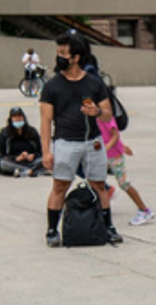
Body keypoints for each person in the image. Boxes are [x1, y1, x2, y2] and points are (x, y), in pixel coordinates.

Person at [39, 31, 119, 247]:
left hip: (92, 142)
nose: (59, 58)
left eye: (63, 53)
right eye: (58, 53)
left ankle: (108, 226)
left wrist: (96, 112)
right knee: (60, 186)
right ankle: (52, 231)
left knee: (99, 185)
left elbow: (108, 114)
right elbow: (45, 121)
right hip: (65, 142)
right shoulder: (52, 86)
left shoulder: (94, 83)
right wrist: (46, 151)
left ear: (75, 57)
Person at [97, 109, 155, 226]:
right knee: (96, 182)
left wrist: (107, 149)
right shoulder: (92, 117)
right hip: (103, 155)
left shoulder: (105, 115)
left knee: (124, 183)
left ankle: (144, 210)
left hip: (114, 155)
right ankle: (100, 211)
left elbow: (115, 135)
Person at [0, 107, 45, 177]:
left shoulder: (32, 132)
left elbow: (41, 151)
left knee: (45, 160)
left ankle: (24, 171)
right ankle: (30, 171)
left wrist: (33, 155)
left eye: (20, 116)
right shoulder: (4, 133)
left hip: (31, 162)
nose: (18, 119)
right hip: (13, 162)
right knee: (3, 163)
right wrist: (16, 158)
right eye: (15, 117)